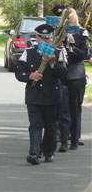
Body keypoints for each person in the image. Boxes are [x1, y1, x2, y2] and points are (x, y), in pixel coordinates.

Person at [15, 24, 67, 165]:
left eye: (48, 38)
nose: (45, 41)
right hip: (34, 96)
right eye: (42, 38)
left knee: (50, 126)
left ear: (52, 38)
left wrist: (53, 64)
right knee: (35, 125)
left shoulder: (58, 52)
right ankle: (34, 153)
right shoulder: (29, 52)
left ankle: (48, 151)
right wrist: (30, 75)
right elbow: (19, 73)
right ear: (36, 37)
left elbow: (64, 75)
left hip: (52, 96)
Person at [63, 8, 89, 149]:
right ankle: (61, 135)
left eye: (70, 17)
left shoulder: (81, 32)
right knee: (61, 107)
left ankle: (75, 136)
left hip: (76, 74)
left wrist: (71, 48)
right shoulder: (59, 32)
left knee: (75, 107)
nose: (68, 19)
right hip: (61, 74)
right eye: (65, 17)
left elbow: (84, 53)